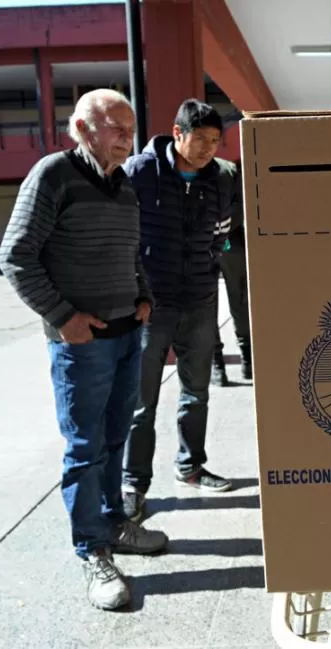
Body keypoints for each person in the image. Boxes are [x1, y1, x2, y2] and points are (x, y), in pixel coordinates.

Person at [0, 89, 169, 611]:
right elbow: (15, 256)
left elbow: (130, 251)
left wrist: (143, 296)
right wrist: (62, 317)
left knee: (116, 435)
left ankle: (116, 523)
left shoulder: (123, 186)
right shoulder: (53, 175)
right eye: (116, 127)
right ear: (81, 127)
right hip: (82, 344)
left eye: (130, 129)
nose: (127, 138)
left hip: (125, 335)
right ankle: (92, 550)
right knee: (84, 448)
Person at [120, 99, 238, 522]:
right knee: (140, 400)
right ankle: (134, 484)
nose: (208, 148)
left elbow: (223, 233)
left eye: (215, 141)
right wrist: (136, 289)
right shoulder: (139, 173)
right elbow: (123, 236)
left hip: (201, 300)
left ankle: (190, 466)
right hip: (151, 304)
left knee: (197, 391)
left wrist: (212, 260)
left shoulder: (223, 178)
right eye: (201, 139)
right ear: (177, 133)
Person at [212, 157, 251, 385]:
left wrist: (216, 227)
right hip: (219, 242)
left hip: (225, 242)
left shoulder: (227, 169)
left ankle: (241, 360)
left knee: (238, 301)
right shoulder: (227, 168)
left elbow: (240, 203)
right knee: (217, 303)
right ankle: (223, 362)